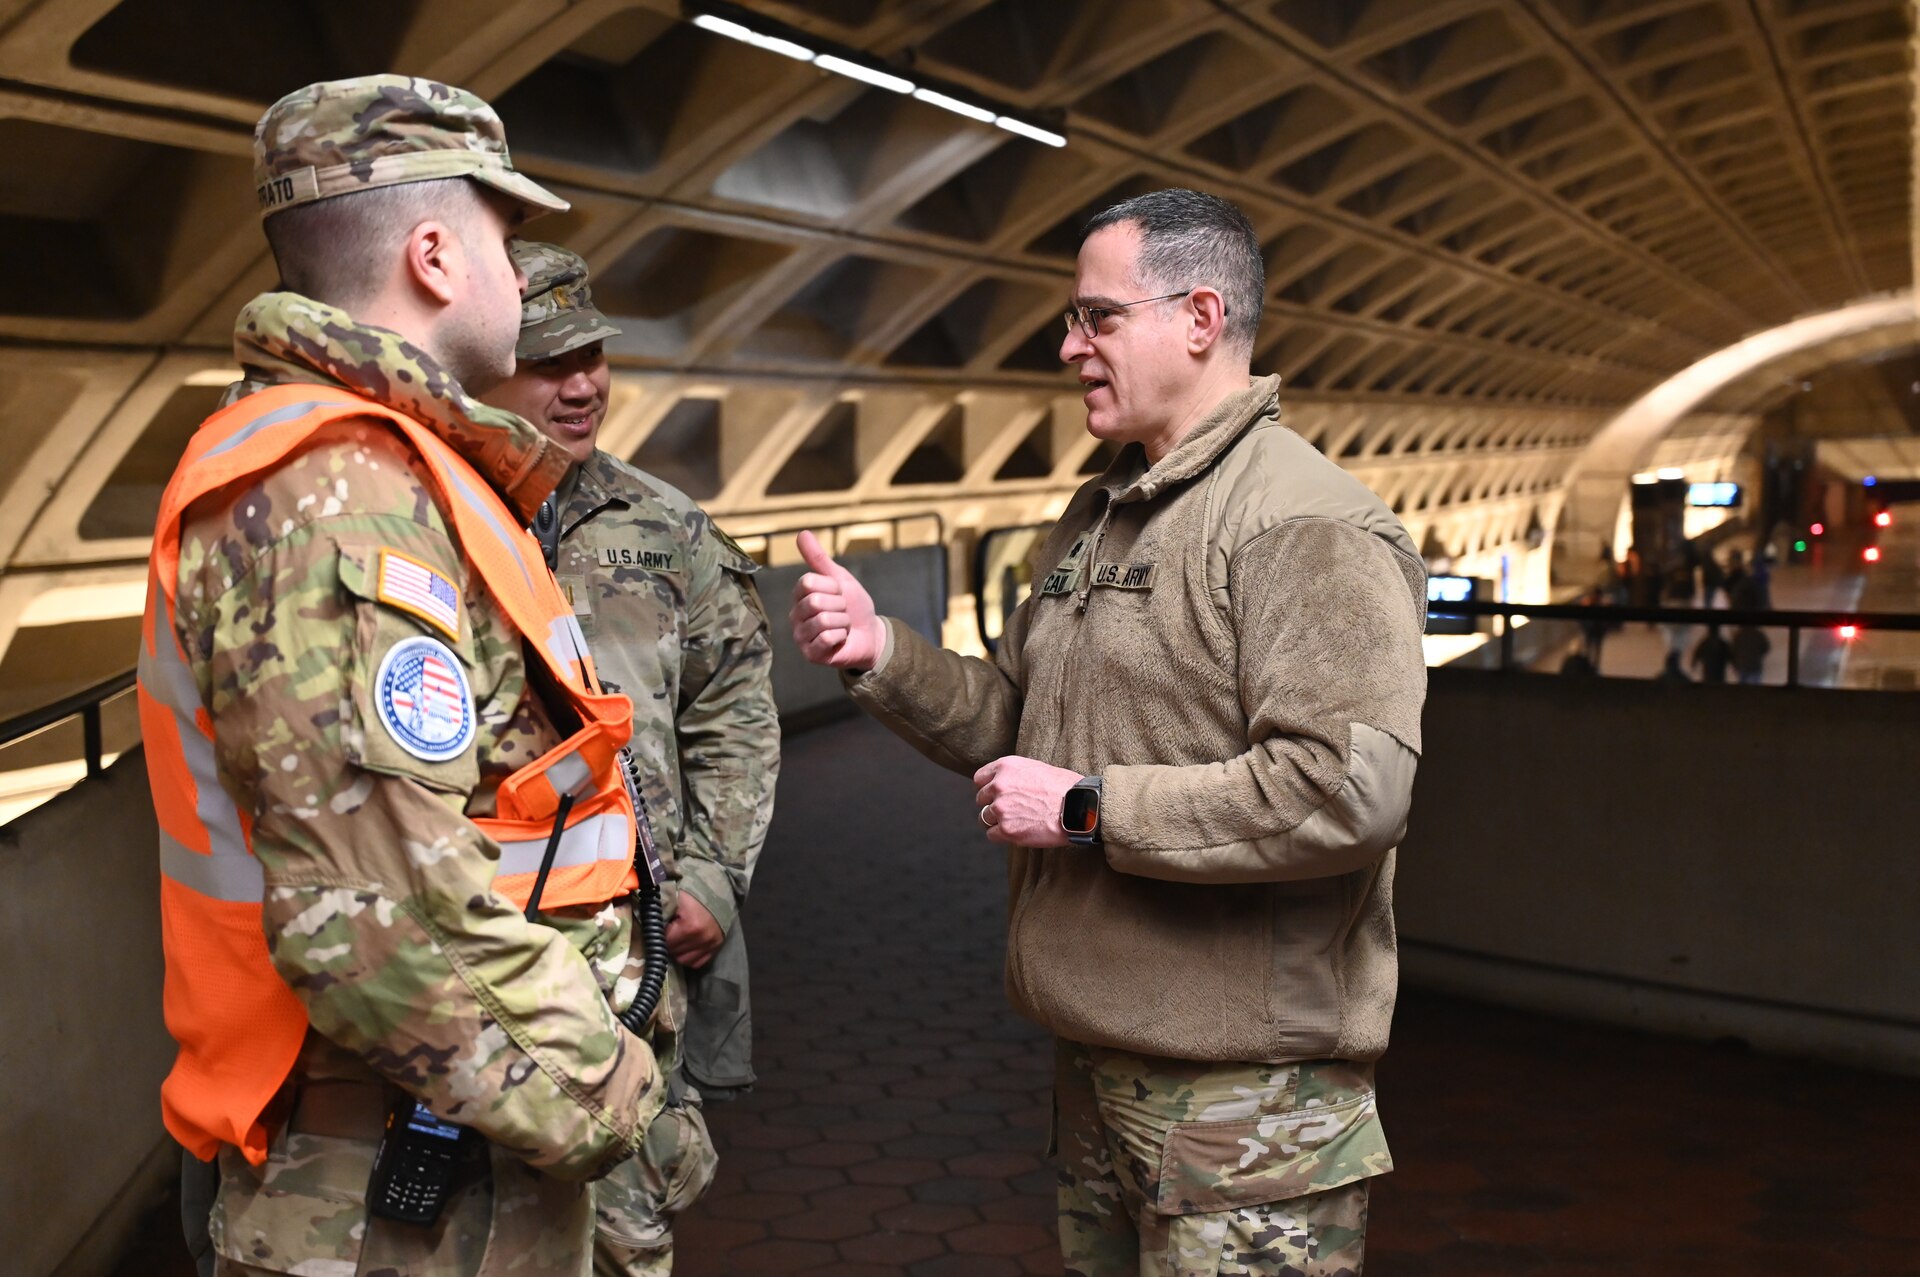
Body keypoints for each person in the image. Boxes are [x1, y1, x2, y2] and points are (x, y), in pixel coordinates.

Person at [790, 188, 1427, 1274]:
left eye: (1098, 317)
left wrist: (1090, 810)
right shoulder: (1098, 515)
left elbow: (1344, 790)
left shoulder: (1301, 522)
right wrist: (882, 652)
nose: (1068, 345)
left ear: (1200, 317)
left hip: (1246, 1106)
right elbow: (1021, 721)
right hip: (1097, 1066)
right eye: (1072, 319)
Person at [140, 77, 678, 1277]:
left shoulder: (389, 469)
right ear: (434, 255)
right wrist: (611, 1091)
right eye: (505, 241)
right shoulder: (338, 496)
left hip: (438, 1141)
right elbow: (376, 910)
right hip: (390, 1194)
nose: (518, 279)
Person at [481, 241, 780, 1274]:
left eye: (593, 356)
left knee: (624, 1230)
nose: (583, 386)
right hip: (476, 965)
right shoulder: (430, 522)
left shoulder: (662, 527)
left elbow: (732, 704)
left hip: (631, 964)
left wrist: (714, 875)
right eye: (548, 362)